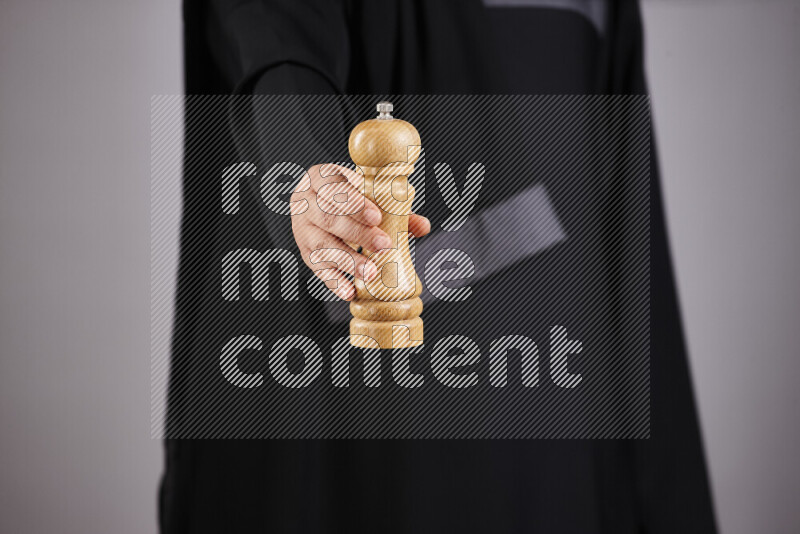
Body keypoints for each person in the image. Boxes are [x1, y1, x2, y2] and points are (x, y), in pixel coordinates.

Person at [162, 1, 717, 531]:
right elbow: (273, 31)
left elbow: (624, 222)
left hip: (548, 404)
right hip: (331, 397)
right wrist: (305, 165)